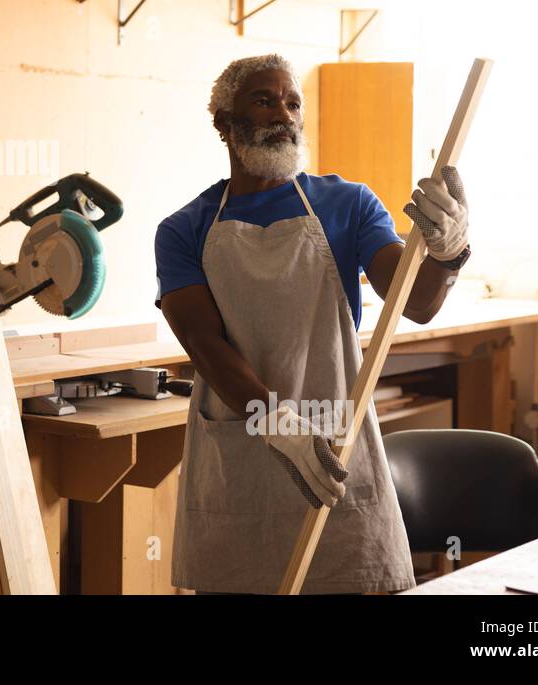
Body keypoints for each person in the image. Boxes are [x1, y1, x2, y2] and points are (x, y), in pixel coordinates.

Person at [155, 53, 471, 594]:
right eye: (264, 99)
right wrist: (273, 421)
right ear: (225, 124)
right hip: (242, 446)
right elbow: (205, 345)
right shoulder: (184, 229)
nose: (284, 112)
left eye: (292, 102)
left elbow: (413, 303)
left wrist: (448, 252)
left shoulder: (348, 204)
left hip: (335, 443)